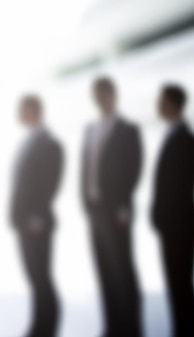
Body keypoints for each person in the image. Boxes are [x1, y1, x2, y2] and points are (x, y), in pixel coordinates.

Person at [81, 77, 143, 337]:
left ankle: (130, 327)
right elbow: (86, 169)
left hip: (116, 211)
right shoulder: (91, 129)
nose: (99, 99)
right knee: (104, 269)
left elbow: (133, 169)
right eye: (95, 94)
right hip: (95, 209)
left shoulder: (127, 129)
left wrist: (123, 206)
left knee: (122, 270)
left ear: (111, 95)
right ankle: (113, 326)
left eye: (102, 93)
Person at [11, 96, 63, 337]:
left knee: (42, 278)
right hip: (24, 222)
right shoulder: (29, 141)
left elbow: (49, 184)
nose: (18, 113)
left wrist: (37, 216)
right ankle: (39, 327)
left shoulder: (50, 143)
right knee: (35, 278)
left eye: (22, 109)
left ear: (32, 111)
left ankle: (47, 329)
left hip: (37, 223)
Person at [151, 84, 194, 337]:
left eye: (161, 100)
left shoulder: (186, 140)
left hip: (181, 225)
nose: (158, 105)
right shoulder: (171, 135)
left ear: (172, 104)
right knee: (175, 285)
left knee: (180, 285)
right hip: (171, 225)